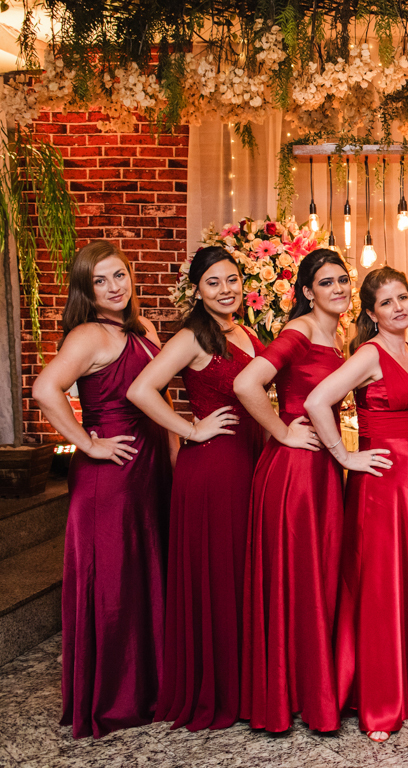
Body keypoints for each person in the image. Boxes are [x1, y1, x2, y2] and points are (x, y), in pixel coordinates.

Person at [32, 241, 174, 739]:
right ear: (86, 290)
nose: (115, 287)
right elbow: (45, 389)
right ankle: (114, 698)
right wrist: (88, 444)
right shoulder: (89, 334)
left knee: (145, 574)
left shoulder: (142, 329)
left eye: (120, 276)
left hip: (149, 466)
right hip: (109, 477)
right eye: (101, 280)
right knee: (112, 582)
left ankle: (150, 688)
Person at [127, 246, 264, 731]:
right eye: (214, 282)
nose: (226, 290)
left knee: (245, 572)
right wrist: (192, 430)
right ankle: (220, 689)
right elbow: (141, 390)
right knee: (221, 574)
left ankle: (250, 685)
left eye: (232, 280)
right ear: (197, 290)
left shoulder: (246, 331)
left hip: (249, 459)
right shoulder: (191, 336)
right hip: (213, 467)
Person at [304, 267, 408, 742]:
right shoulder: (370, 352)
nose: (399, 306)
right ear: (370, 313)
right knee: (381, 589)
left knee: (405, 582)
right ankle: (380, 704)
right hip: (380, 487)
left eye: (403, 297)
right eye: (387, 302)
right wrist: (345, 457)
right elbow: (318, 401)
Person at [232, 248, 351, 733]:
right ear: (305, 292)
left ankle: (310, 687)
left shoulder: (334, 333)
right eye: (327, 283)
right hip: (296, 470)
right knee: (301, 578)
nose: (339, 289)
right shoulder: (297, 333)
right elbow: (247, 383)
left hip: (320, 464)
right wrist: (282, 432)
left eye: (343, 280)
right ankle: (297, 696)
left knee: (318, 577)